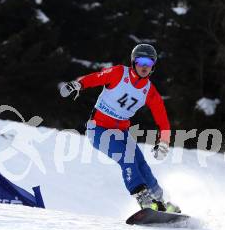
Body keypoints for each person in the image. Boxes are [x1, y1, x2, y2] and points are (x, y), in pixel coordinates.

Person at [60, 44, 180, 213]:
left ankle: (160, 201)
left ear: (153, 65)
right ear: (134, 62)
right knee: (126, 158)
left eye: (149, 62)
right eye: (141, 61)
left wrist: (164, 142)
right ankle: (143, 198)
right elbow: (96, 77)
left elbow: (163, 120)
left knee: (141, 164)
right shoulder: (118, 73)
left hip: (121, 132)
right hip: (98, 130)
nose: (144, 66)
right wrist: (78, 84)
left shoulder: (149, 91)